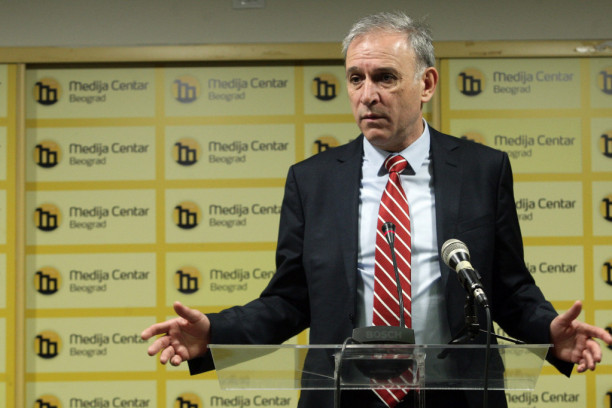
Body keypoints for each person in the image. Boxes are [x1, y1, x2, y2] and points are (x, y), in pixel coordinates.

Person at [141, 11, 612, 408]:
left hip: (454, 394)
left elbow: (505, 289)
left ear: (426, 83)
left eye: (385, 77)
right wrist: (215, 332)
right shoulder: (312, 180)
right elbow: (290, 300)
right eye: (356, 78)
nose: (367, 94)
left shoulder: (482, 170)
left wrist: (550, 333)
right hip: (343, 394)